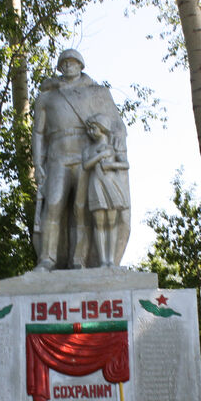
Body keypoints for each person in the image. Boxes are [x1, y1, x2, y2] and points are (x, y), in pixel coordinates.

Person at [32, 49, 129, 270]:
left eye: (72, 62)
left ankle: (78, 259)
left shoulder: (96, 93)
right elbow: (38, 134)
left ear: (80, 65)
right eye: (63, 63)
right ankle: (47, 258)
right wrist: (38, 163)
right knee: (53, 204)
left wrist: (117, 147)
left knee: (81, 208)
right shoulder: (47, 97)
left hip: (86, 156)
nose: (67, 66)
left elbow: (116, 124)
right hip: (57, 157)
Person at [80, 114, 129, 267]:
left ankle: (111, 260)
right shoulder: (89, 149)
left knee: (112, 222)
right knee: (99, 223)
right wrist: (100, 155)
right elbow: (86, 165)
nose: (90, 132)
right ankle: (102, 260)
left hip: (111, 184)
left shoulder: (113, 147)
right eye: (88, 129)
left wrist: (110, 165)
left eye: (93, 128)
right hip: (96, 184)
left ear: (102, 129)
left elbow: (125, 164)